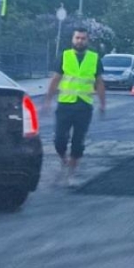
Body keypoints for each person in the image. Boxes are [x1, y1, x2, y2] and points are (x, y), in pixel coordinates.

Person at [44, 28, 106, 187]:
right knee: (59, 140)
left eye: (83, 38)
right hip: (65, 105)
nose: (80, 41)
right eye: (77, 38)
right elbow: (55, 79)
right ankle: (64, 159)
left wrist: (102, 103)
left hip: (84, 106)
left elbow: (99, 82)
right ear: (73, 39)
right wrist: (48, 100)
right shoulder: (64, 56)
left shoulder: (94, 58)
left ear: (87, 40)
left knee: (78, 142)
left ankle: (71, 174)